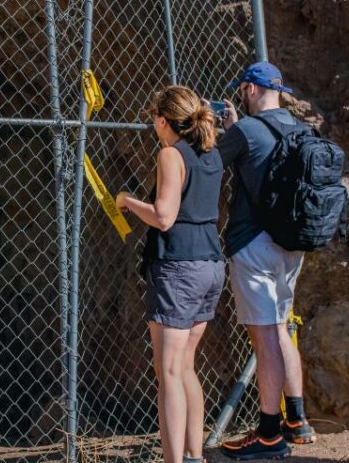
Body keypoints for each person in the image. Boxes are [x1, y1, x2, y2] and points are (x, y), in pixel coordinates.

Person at [116, 85, 225, 463]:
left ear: (163, 121)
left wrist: (127, 201)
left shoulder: (170, 155)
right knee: (186, 367)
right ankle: (195, 455)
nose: (154, 127)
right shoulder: (212, 154)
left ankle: (174, 460)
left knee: (169, 375)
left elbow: (164, 216)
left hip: (180, 267)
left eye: (154, 121)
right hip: (211, 264)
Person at [217, 61, 316, 461]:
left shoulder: (245, 131)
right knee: (282, 325)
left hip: (253, 245)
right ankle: (298, 419)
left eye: (243, 89)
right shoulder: (301, 129)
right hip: (292, 245)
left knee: (265, 336)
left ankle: (269, 434)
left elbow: (209, 164)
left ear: (250, 90)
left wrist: (226, 132)